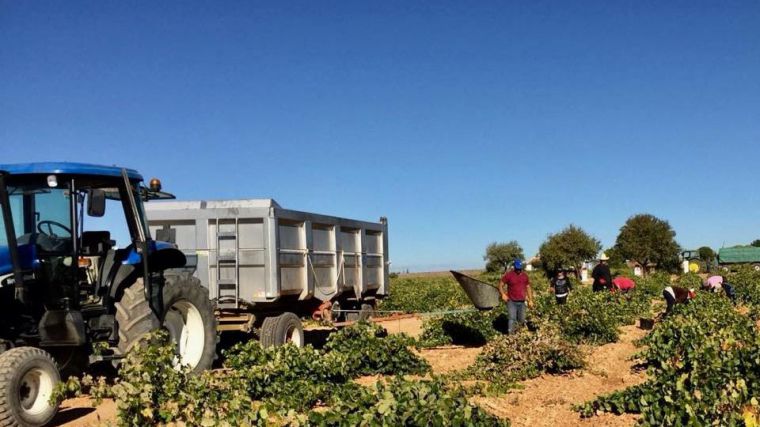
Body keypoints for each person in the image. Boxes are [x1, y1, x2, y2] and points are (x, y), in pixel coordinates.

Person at [500, 259, 534, 334]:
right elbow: (501, 284)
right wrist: (503, 294)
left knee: (522, 319)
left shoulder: (525, 276)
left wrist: (530, 300)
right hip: (511, 301)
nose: (518, 270)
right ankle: (511, 336)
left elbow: (528, 287)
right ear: (514, 267)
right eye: (517, 268)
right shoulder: (509, 275)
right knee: (512, 318)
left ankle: (520, 335)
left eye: (520, 268)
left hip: (522, 302)